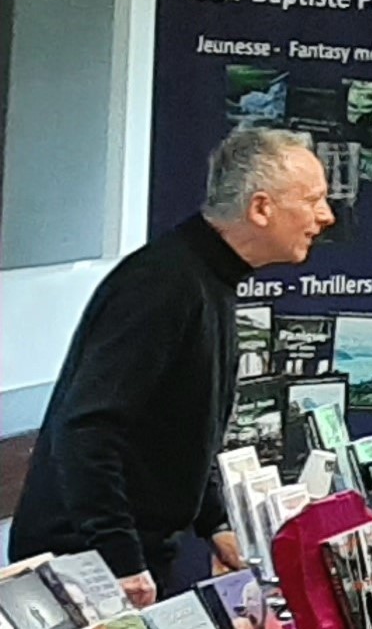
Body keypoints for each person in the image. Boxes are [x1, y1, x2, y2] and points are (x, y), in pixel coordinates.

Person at [10, 127, 332, 600]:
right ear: (261, 208)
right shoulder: (161, 284)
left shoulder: (209, 278)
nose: (325, 217)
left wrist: (214, 522)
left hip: (130, 554)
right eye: (313, 200)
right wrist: (118, 559)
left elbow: (180, 427)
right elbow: (87, 428)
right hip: (84, 565)